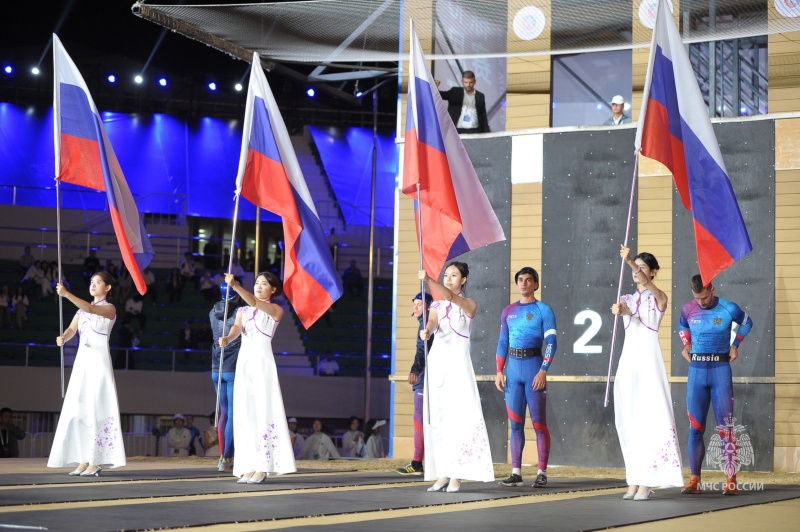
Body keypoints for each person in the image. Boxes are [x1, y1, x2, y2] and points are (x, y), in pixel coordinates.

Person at [610, 247, 683, 501]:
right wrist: (620, 310)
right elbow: (629, 312)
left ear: (652, 272)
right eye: (635, 268)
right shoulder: (627, 299)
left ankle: (649, 480)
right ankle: (634, 478)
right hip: (629, 364)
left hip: (649, 363)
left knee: (651, 419)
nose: (636, 272)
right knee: (629, 420)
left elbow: (661, 299)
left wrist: (631, 261)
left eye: (643, 268)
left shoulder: (657, 298)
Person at [418, 262, 494, 492]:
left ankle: (457, 474)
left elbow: (452, 297)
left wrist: (430, 280)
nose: (449, 278)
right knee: (439, 419)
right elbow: (431, 322)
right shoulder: (436, 306)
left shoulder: (469, 304)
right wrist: (427, 331)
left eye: (454, 275)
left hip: (458, 366)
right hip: (438, 364)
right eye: (446, 275)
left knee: (459, 418)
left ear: (464, 280)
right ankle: (442, 472)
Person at [679, 275, 754, 496]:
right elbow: (682, 325)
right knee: (695, 428)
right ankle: (695, 481)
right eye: (696, 298)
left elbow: (747, 322)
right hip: (697, 374)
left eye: (704, 297)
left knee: (726, 430)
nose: (701, 302)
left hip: (720, 371)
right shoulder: (688, 309)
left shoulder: (729, 307)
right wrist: (686, 343)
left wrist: (735, 344)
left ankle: (731, 480)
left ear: (712, 289)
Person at [219, 271, 296, 483]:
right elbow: (236, 328)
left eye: (264, 284)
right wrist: (227, 338)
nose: (259, 286)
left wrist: (234, 285)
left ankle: (263, 466)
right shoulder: (243, 310)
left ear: (273, 290)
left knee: (263, 411)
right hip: (244, 364)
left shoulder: (275, 310)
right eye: (256, 283)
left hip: (262, 363)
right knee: (245, 413)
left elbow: (254, 301)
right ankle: (247, 465)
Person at [48, 272, 126, 476]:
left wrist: (66, 294)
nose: (93, 285)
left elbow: (91, 308)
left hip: (98, 364)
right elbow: (72, 329)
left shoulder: (109, 308)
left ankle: (97, 460)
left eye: (98, 282)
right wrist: (63, 337)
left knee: (96, 409)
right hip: (82, 364)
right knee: (80, 409)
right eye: (92, 282)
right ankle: (84, 458)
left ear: (107, 287)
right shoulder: (81, 312)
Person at [495, 267, 556, 489]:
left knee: (539, 424)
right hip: (512, 370)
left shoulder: (544, 310)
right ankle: (516, 472)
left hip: (533, 369)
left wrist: (543, 370)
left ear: (536, 284)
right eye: (520, 280)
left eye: (528, 280)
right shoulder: (508, 311)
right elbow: (503, 342)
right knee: (515, 425)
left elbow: (551, 343)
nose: (523, 284)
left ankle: (541, 472)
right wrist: (499, 370)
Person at [396, 291, 433, 475]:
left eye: (419, 304)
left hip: (427, 380)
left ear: (428, 306)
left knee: (420, 421)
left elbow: (422, 352)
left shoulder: (427, 324)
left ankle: (417, 462)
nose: (415, 307)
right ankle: (420, 462)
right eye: (414, 304)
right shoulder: (425, 323)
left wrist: (414, 370)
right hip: (430, 378)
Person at [210, 280, 244, 472]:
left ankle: (222, 458)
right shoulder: (241, 312)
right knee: (232, 413)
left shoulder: (211, 311)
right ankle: (227, 458)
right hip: (233, 368)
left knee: (223, 413)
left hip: (216, 368)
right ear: (237, 294)